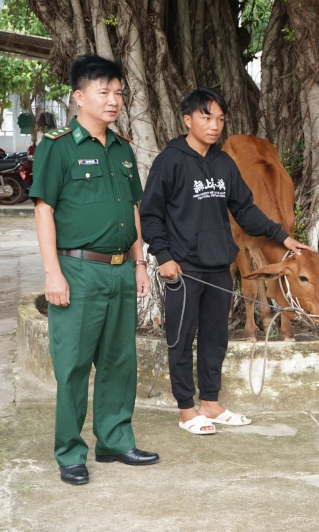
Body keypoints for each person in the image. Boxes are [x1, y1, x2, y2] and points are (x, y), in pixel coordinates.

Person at [140, 88, 311, 435]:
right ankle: (187, 409)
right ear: (188, 120)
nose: (214, 125)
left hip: (218, 267)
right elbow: (150, 213)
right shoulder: (170, 161)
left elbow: (246, 211)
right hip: (183, 268)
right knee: (181, 337)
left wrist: (282, 236)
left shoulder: (223, 163)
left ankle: (211, 404)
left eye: (220, 119)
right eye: (206, 118)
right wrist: (163, 256)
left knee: (216, 338)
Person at [30, 54, 159, 486]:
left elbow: (134, 211)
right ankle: (70, 451)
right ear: (79, 96)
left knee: (119, 362)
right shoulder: (58, 145)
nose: (113, 100)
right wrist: (53, 273)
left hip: (121, 270)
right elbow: (44, 210)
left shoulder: (123, 149)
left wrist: (141, 264)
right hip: (78, 270)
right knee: (72, 365)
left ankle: (115, 440)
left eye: (118, 92)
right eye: (103, 92)